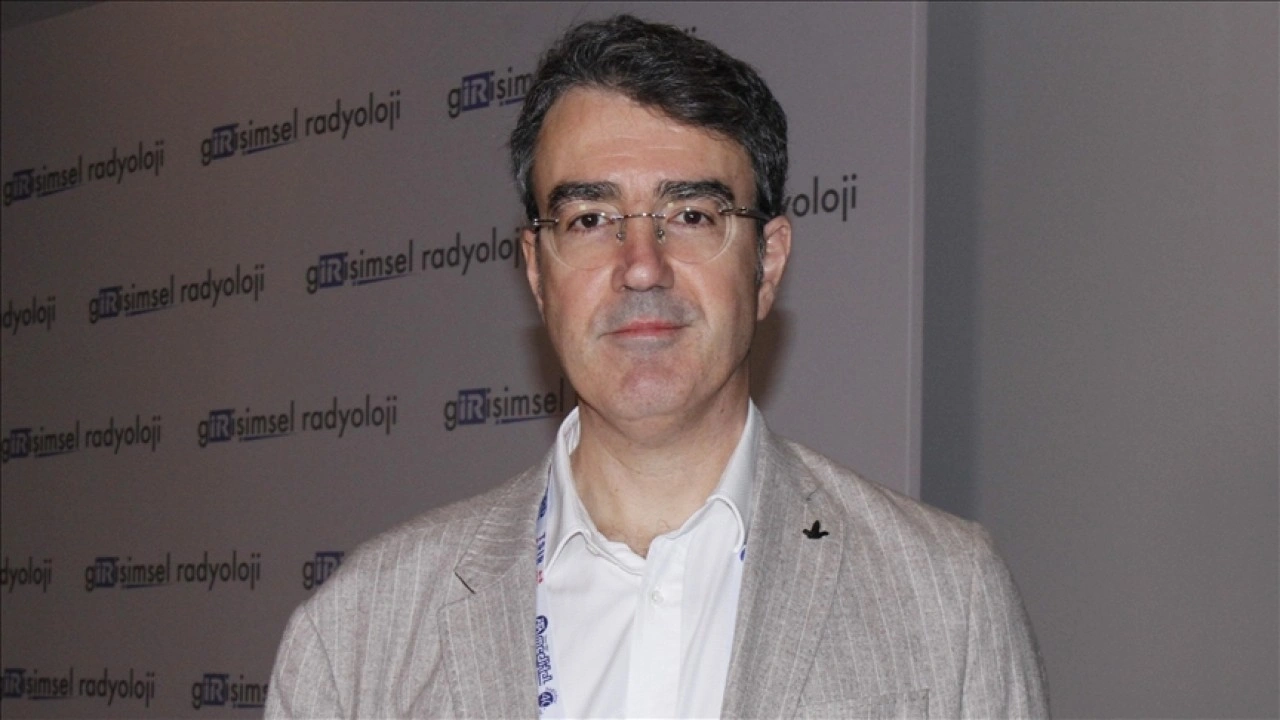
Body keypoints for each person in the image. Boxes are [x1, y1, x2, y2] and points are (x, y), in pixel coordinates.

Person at [265, 14, 1048, 719]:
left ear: (768, 263)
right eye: (590, 218)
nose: (642, 264)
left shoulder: (946, 596)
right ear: (536, 269)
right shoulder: (360, 635)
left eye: (692, 215)